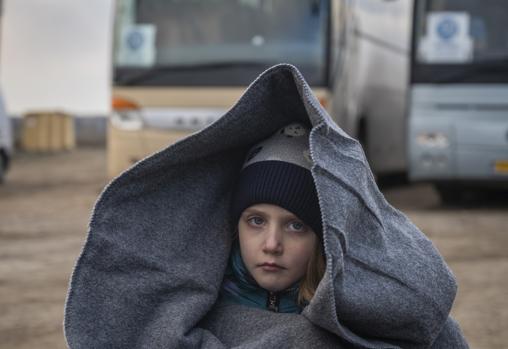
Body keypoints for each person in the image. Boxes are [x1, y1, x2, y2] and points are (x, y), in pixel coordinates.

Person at [64, 64, 469, 348]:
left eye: (295, 226)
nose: (270, 243)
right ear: (234, 224)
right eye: (256, 221)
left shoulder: (378, 318)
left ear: (327, 235)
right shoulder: (189, 314)